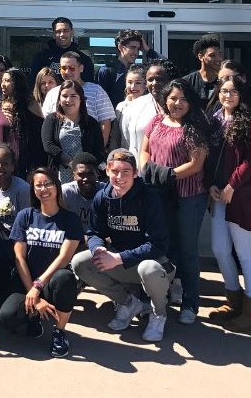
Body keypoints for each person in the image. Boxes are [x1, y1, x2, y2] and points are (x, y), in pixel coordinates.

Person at [72, 148, 172, 342]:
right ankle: (127, 303)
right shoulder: (102, 197)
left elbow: (158, 244)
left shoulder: (149, 197)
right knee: (80, 262)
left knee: (149, 268)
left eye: (126, 171)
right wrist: (98, 248)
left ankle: (159, 314)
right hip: (120, 262)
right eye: (115, 171)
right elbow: (94, 232)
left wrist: (118, 258)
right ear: (107, 171)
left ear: (135, 173)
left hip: (154, 264)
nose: (119, 177)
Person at [140, 79, 209, 325]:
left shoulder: (194, 128)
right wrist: (147, 169)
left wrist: (167, 175)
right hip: (157, 195)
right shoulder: (156, 121)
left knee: (187, 250)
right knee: (161, 246)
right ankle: (160, 298)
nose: (177, 103)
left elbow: (196, 164)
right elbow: (144, 150)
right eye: (173, 98)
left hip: (188, 196)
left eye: (183, 99)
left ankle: (190, 303)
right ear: (165, 99)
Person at [0, 167, 83, 358]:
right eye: (38, 185)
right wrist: (33, 294)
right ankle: (33, 318)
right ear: (33, 190)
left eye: (48, 184)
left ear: (57, 186)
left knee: (66, 278)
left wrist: (39, 285)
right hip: (26, 281)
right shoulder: (25, 216)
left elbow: (64, 258)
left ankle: (59, 332)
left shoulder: (70, 219)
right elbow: (19, 257)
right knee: (8, 316)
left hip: (52, 282)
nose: (43, 189)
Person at [206, 75, 251, 332]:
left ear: (241, 95)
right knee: (220, 249)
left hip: (241, 196)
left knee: (245, 253)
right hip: (218, 196)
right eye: (223, 91)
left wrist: (232, 185)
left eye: (232, 92)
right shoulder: (213, 120)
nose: (227, 96)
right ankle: (233, 299)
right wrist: (210, 183)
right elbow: (208, 158)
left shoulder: (248, 122)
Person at [40, 51, 116, 148]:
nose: (67, 72)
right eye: (64, 68)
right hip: (59, 152)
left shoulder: (96, 90)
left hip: (89, 150)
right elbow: (47, 124)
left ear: (81, 68)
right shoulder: (52, 93)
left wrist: (99, 149)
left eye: (72, 68)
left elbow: (105, 122)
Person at [41, 80, 104, 184]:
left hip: (85, 177)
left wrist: (85, 166)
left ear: (81, 99)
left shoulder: (91, 123)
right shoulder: (52, 119)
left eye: (73, 96)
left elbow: (99, 151)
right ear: (59, 99)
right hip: (59, 174)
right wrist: (70, 163)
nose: (68, 100)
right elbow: (48, 145)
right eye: (64, 96)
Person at [116, 58, 176, 156]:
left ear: (170, 80)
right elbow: (125, 142)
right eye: (150, 80)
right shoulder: (134, 107)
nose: (154, 83)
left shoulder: (180, 107)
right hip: (139, 163)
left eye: (159, 79)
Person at [0, 67, 44, 177]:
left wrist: (17, 114)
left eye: (7, 81)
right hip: (1, 163)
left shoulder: (31, 104)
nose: (2, 84)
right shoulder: (0, 104)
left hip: (24, 164)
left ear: (17, 83)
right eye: (2, 80)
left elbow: (37, 136)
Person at [96, 29, 146, 106]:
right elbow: (99, 102)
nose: (136, 53)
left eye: (138, 49)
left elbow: (163, 67)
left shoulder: (139, 71)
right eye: (132, 47)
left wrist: (148, 50)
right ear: (120, 47)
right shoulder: (106, 71)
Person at [0, 145, 30, 233]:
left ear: (12, 167)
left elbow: (25, 221)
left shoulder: (23, 188)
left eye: (5, 164)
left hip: (18, 234)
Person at [181, 33, 223, 107]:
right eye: (212, 55)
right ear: (200, 57)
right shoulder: (187, 82)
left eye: (219, 54)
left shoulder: (224, 80)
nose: (218, 59)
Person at [60, 152, 100, 229]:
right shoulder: (65, 193)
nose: (86, 179)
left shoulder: (106, 193)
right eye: (81, 174)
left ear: (97, 174)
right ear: (74, 175)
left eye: (90, 173)